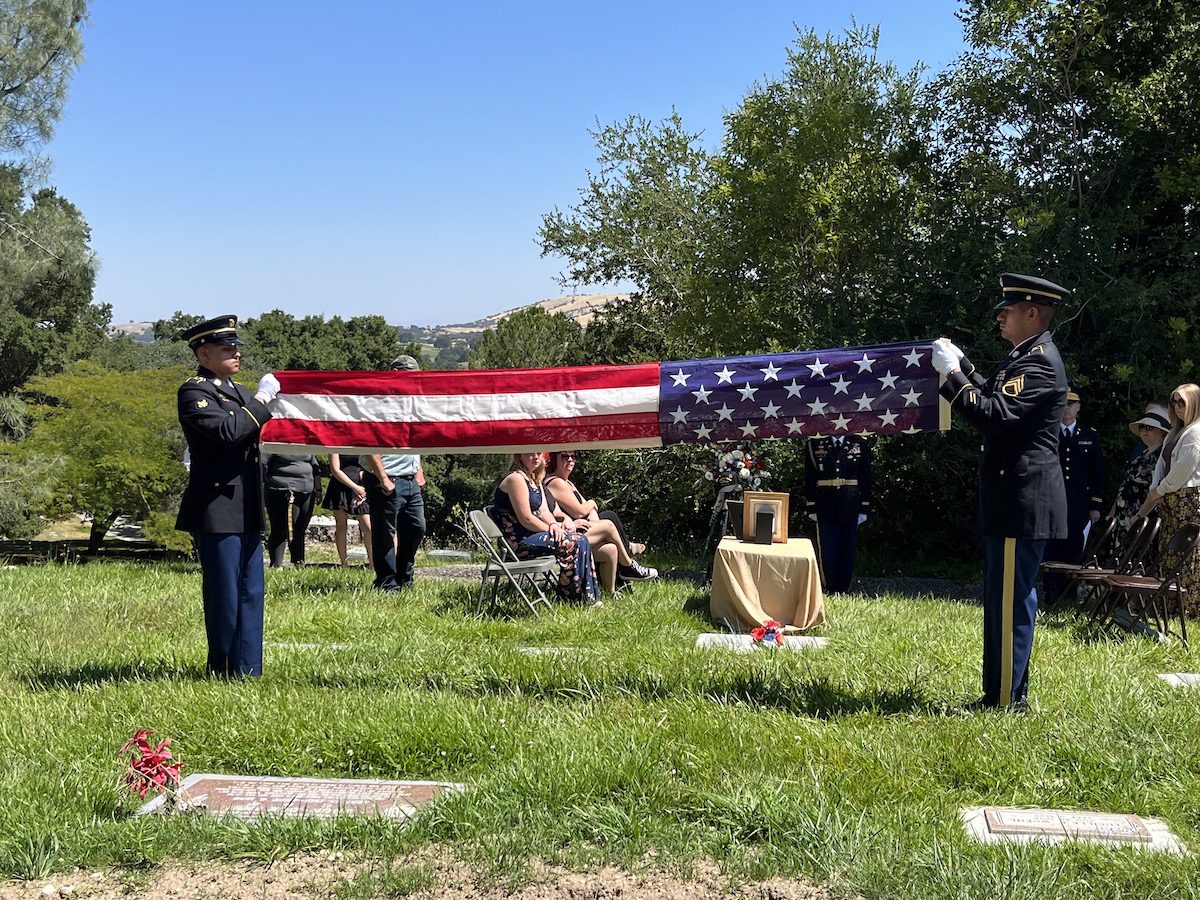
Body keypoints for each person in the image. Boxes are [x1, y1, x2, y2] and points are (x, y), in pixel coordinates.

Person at [932, 273, 1069, 711]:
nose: (1000, 318)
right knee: (1003, 601)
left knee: (1010, 605)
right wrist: (966, 365)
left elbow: (995, 415)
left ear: (1032, 313)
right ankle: (1002, 693)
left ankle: (1005, 701)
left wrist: (952, 376)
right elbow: (995, 393)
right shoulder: (1024, 357)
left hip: (1021, 501)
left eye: (1007, 311)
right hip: (1014, 499)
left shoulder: (1041, 361)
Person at [175, 315, 279, 677]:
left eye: (235, 346)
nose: (236, 352)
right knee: (224, 593)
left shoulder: (237, 391)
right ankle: (220, 668)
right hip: (218, 506)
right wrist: (264, 398)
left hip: (248, 503)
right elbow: (228, 431)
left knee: (251, 591)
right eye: (226, 347)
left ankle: (248, 669)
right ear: (204, 353)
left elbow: (252, 424)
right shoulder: (195, 391)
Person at [493, 452, 601, 605]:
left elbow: (544, 511)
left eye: (539, 453)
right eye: (531, 454)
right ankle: (570, 597)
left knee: (580, 538)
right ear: (519, 455)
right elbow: (526, 519)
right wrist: (550, 529)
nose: (536, 457)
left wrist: (555, 525)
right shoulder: (515, 479)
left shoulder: (533, 479)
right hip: (519, 542)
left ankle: (588, 597)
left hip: (533, 535)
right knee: (571, 542)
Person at [362, 355, 427, 593]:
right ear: (395, 372)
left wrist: (419, 470)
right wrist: (383, 478)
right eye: (409, 374)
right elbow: (369, 445)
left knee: (417, 527)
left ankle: (404, 577)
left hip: (410, 479)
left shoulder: (411, 405)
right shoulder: (380, 405)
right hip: (387, 479)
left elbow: (413, 442)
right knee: (384, 533)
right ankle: (387, 583)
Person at [1133, 384, 1200, 614]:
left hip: (1188, 498)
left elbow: (1183, 470)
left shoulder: (1196, 431)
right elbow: (1161, 464)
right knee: (1169, 553)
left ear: (1194, 402)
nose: (1177, 407)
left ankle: (1187, 609)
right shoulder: (1175, 430)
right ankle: (1168, 607)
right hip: (1170, 497)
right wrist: (1156, 488)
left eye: (1181, 402)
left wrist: (1160, 491)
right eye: (1173, 402)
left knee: (1187, 555)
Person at [544, 450, 657, 583]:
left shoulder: (568, 482)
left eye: (573, 456)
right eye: (564, 456)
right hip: (572, 531)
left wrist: (592, 511)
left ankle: (615, 589)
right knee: (609, 519)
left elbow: (588, 508)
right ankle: (628, 561)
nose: (570, 460)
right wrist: (592, 503)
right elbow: (579, 510)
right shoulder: (555, 482)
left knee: (610, 542)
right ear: (553, 459)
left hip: (583, 527)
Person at [1042, 389, 1105, 599]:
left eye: (1071, 403)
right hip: (1052, 502)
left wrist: (1095, 505)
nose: (1066, 407)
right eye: (1063, 403)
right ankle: (1051, 592)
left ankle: (1068, 594)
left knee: (1074, 547)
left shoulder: (1090, 435)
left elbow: (1097, 473)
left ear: (1078, 407)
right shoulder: (1048, 433)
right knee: (1052, 547)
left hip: (1079, 504)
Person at [804, 435, 872, 593]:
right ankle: (830, 586)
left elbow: (865, 475)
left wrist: (864, 507)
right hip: (825, 504)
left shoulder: (859, 443)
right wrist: (811, 506)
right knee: (828, 547)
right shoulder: (814, 444)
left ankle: (844, 587)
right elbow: (810, 476)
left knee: (847, 547)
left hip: (850, 503)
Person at [1108, 403, 1169, 554]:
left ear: (1162, 432)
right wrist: (1114, 509)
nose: (1144, 431)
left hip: (1143, 520)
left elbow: (1158, 492)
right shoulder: (1141, 454)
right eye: (1142, 427)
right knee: (1117, 563)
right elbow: (1126, 483)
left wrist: (1139, 516)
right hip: (1123, 519)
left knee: (1136, 566)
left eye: (1149, 427)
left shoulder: (1162, 457)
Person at [263, 453, 320, 568]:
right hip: (280, 489)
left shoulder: (304, 441)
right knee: (280, 529)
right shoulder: (275, 442)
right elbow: (262, 463)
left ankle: (298, 563)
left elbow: (314, 466)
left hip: (306, 490)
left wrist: (318, 489)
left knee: (300, 529)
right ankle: (276, 564)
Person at [321, 453, 374, 568]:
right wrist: (354, 487)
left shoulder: (361, 443)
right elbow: (335, 470)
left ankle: (372, 563)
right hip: (340, 486)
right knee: (341, 526)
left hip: (361, 487)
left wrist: (364, 477)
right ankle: (344, 563)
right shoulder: (335, 444)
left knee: (368, 526)